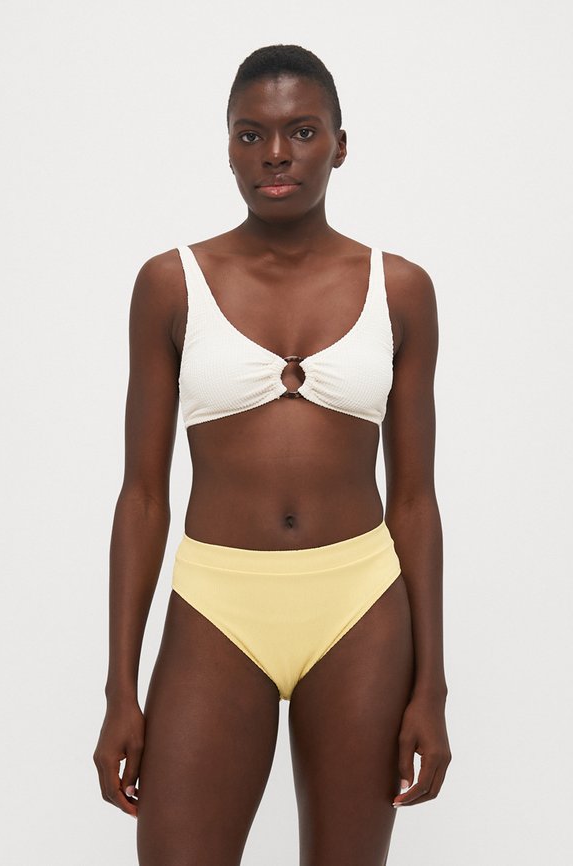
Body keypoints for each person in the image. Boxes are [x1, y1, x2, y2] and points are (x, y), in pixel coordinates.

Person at [93, 43, 452, 866]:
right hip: (217, 604)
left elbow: (415, 500)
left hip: (360, 608)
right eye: (251, 135)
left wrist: (431, 685)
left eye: (302, 131)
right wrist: (120, 689)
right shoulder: (170, 284)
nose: (277, 154)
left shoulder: (401, 290)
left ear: (340, 144)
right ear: (227, 145)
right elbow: (142, 496)